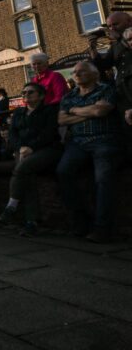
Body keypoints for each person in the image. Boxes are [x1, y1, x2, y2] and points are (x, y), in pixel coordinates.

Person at [57, 60, 122, 243]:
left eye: (82, 71)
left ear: (95, 74)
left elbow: (101, 111)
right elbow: (62, 119)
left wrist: (74, 111)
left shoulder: (106, 89)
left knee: (103, 178)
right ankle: (81, 221)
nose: (76, 74)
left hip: (104, 139)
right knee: (63, 172)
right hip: (77, 143)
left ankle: (102, 228)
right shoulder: (69, 96)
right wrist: (89, 111)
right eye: (74, 72)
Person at [0, 83, 62, 237]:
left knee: (21, 168)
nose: (26, 95)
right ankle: (31, 222)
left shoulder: (49, 111)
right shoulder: (19, 112)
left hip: (47, 150)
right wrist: (20, 148)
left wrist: (31, 147)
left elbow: (49, 133)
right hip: (24, 151)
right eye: (24, 92)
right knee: (27, 176)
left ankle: (11, 205)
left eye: (30, 92)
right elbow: (12, 134)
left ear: (41, 95)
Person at [90, 22, 132, 161]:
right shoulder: (115, 46)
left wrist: (120, 38)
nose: (111, 29)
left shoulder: (124, 40)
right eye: (109, 26)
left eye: (115, 25)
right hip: (123, 92)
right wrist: (93, 48)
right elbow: (103, 65)